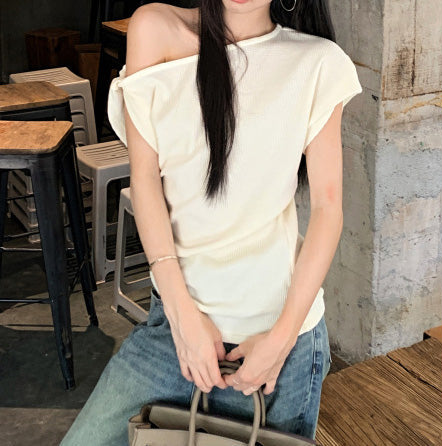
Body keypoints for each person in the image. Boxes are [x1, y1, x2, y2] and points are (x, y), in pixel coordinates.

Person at [60, 0, 363, 444]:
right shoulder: (155, 29)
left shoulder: (317, 61)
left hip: (274, 346)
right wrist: (183, 318)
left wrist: (280, 340)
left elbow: (328, 208)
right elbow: (145, 180)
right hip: (175, 328)